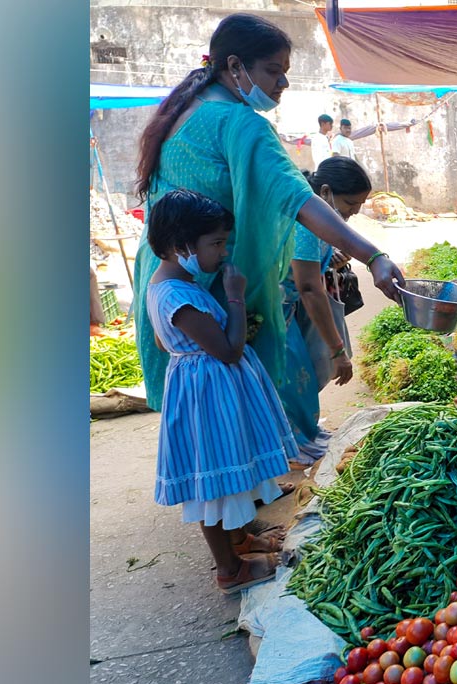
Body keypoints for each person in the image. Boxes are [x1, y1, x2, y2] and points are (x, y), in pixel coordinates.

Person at [131, 12, 403, 417]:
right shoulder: (241, 123)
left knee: (193, 407)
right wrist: (373, 256)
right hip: (210, 286)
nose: (284, 83)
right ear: (235, 66)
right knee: (232, 411)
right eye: (274, 71)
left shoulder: (183, 110)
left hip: (161, 276)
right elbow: (300, 200)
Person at [144, 189, 297, 594]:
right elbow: (229, 351)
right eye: (216, 243)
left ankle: (240, 541)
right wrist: (234, 297)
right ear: (181, 245)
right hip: (207, 397)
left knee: (229, 469)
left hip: (206, 391)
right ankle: (229, 570)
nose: (223, 252)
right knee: (213, 486)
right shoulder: (177, 295)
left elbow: (164, 341)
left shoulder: (171, 284)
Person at [279, 156, 371, 461]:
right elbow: (309, 288)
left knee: (301, 372)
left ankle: (303, 434)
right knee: (291, 376)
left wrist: (330, 258)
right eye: (350, 203)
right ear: (326, 192)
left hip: (290, 306)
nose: (354, 212)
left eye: (360, 205)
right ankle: (293, 443)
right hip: (278, 309)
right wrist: (337, 350)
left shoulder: (318, 221)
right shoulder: (307, 225)